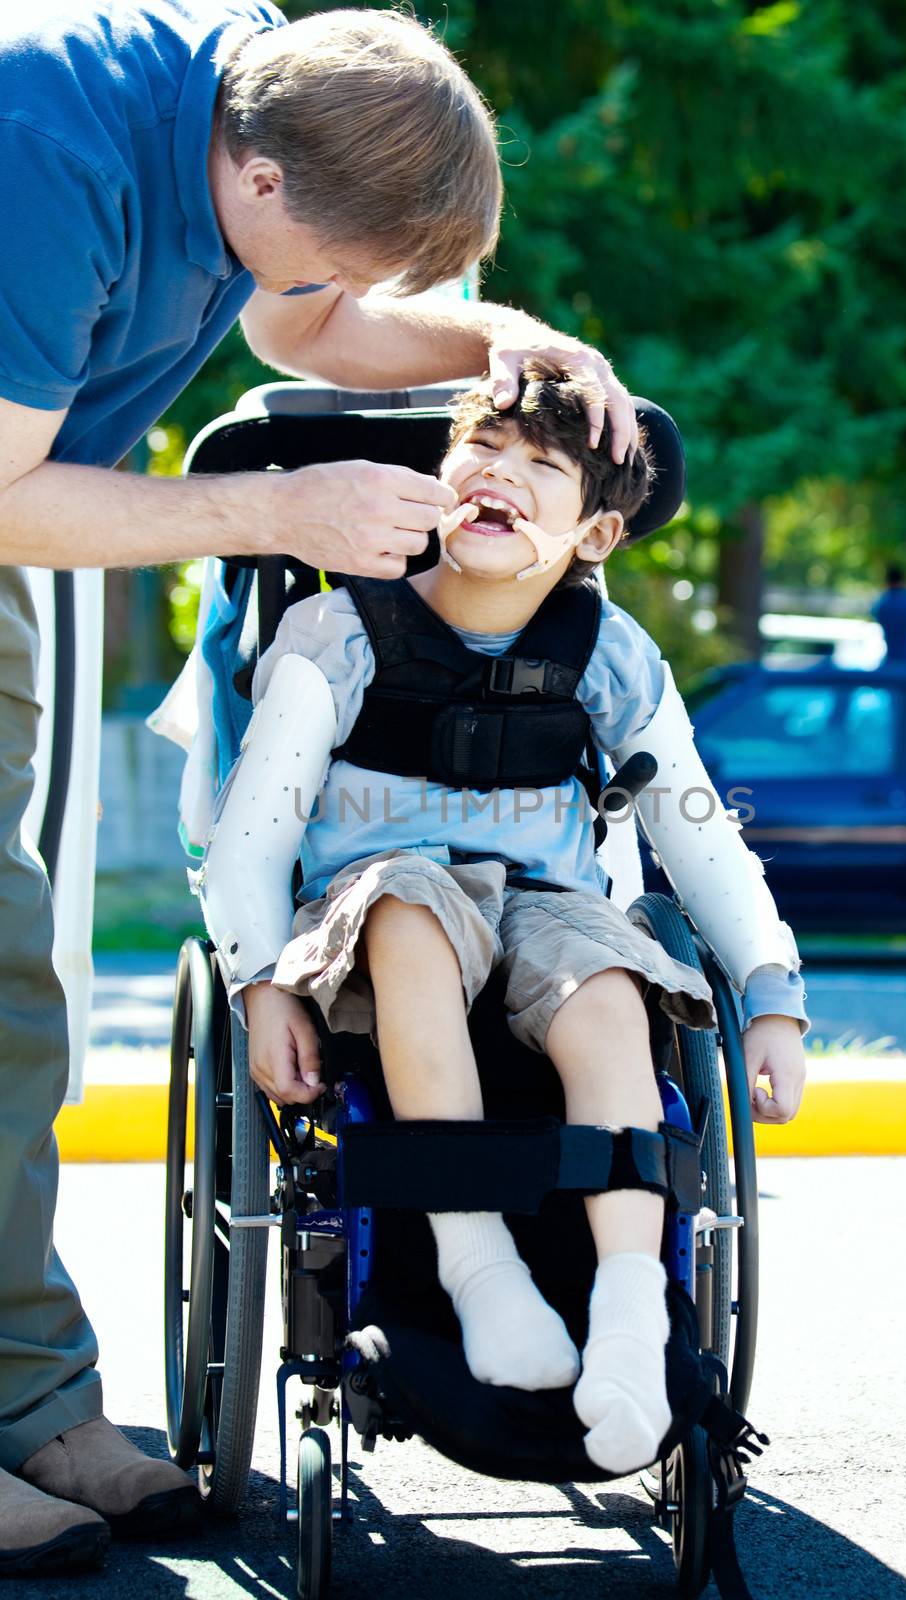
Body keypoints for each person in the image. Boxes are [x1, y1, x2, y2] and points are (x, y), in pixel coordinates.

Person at [0, 2, 641, 1575]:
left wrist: (511, 344)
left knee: (14, 995)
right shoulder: (50, 149)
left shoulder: (285, 87)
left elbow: (303, 322)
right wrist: (270, 503)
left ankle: (29, 1402)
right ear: (262, 183)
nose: (339, 292)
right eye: (334, 252)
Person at [200, 361, 809, 1479]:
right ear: (440, 478)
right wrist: (258, 984)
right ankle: (481, 1267)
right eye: (482, 450)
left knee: (611, 974)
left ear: (594, 536)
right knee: (409, 909)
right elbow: (251, 837)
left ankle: (630, 1300)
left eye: (543, 467)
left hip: (545, 908)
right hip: (377, 903)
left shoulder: (608, 656)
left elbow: (695, 830)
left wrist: (771, 988)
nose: (501, 475)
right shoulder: (341, 634)